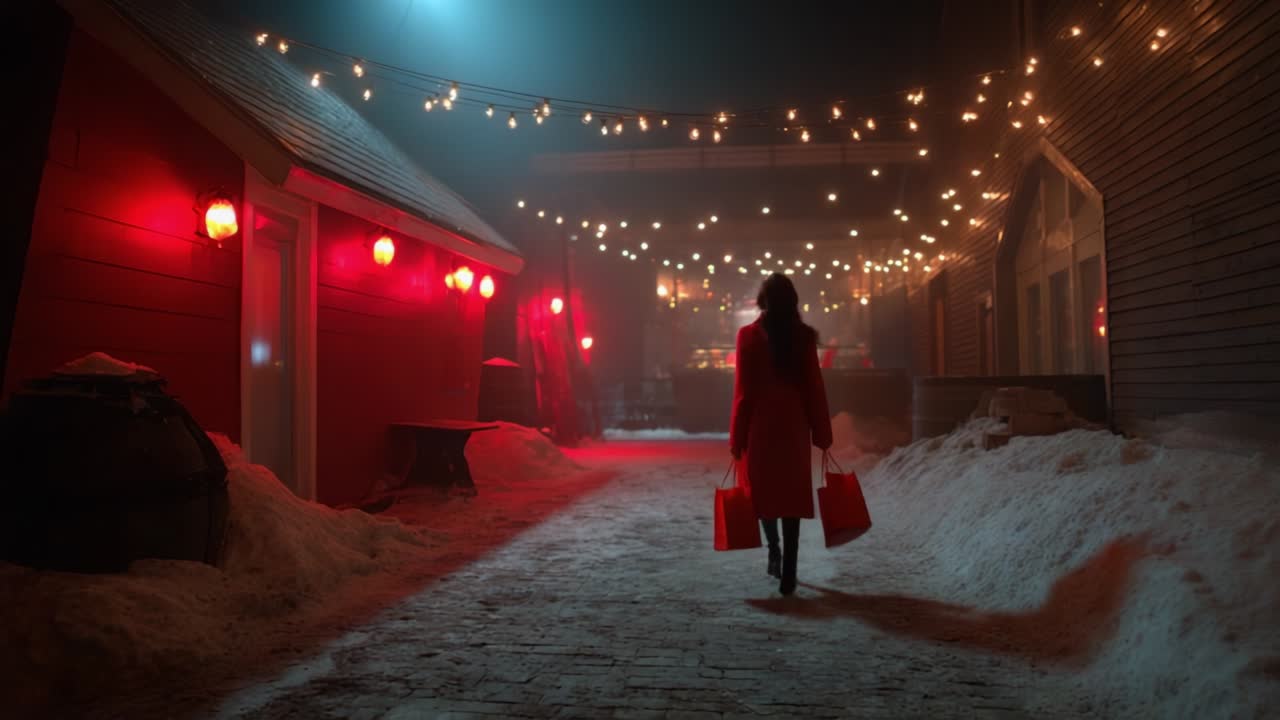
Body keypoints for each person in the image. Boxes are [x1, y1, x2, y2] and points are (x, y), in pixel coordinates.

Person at [730, 273, 833, 595]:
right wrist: (822, 431)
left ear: (763, 300)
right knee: (790, 497)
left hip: (761, 425)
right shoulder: (803, 337)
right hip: (793, 425)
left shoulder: (747, 337)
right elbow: (814, 387)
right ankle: (790, 570)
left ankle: (773, 549)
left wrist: (737, 436)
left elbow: (743, 392)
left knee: (763, 493)